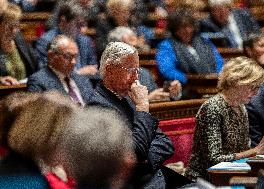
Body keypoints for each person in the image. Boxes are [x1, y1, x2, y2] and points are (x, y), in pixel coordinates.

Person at [0, 91, 135, 189]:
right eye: (71, 135)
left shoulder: (19, 166)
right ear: (50, 136)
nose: (74, 144)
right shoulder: (24, 182)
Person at [89, 41, 174, 188]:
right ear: (109, 70)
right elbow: (135, 152)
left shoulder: (127, 98)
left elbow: (165, 142)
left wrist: (147, 161)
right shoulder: (98, 106)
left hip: (152, 177)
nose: (136, 77)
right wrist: (142, 107)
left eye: (137, 70)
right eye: (130, 69)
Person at [185, 56, 264, 180]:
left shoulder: (241, 107)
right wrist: (255, 151)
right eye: (252, 87)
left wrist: (263, 149)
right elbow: (214, 160)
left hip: (234, 175)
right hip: (205, 179)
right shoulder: (213, 108)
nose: (256, 93)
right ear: (236, 82)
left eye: (258, 88)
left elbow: (242, 152)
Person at [108, 26, 182, 102]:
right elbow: (116, 107)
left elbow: (157, 97)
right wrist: (147, 100)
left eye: (136, 48)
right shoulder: (110, 77)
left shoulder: (145, 73)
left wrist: (172, 94)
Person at [156, 8, 223, 85]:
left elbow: (218, 61)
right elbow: (167, 70)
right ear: (174, 28)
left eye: (190, 26)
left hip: (213, 84)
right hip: (186, 88)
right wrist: (189, 80)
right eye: (182, 27)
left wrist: (217, 76)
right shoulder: (166, 46)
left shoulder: (204, 41)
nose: (187, 31)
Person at [27, 35, 95, 106]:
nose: (73, 62)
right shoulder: (38, 81)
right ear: (51, 56)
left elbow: (94, 106)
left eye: (75, 56)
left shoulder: (82, 79)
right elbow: (38, 114)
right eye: (68, 56)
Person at [35, 1, 98, 75]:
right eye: (77, 24)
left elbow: (94, 69)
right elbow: (45, 73)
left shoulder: (85, 41)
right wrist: (78, 73)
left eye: (82, 25)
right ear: (63, 21)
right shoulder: (46, 41)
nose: (81, 30)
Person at [0, 3, 38, 86]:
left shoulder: (19, 39)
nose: (14, 31)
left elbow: (36, 65)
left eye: (16, 26)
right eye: (9, 26)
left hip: (25, 91)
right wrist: (1, 80)